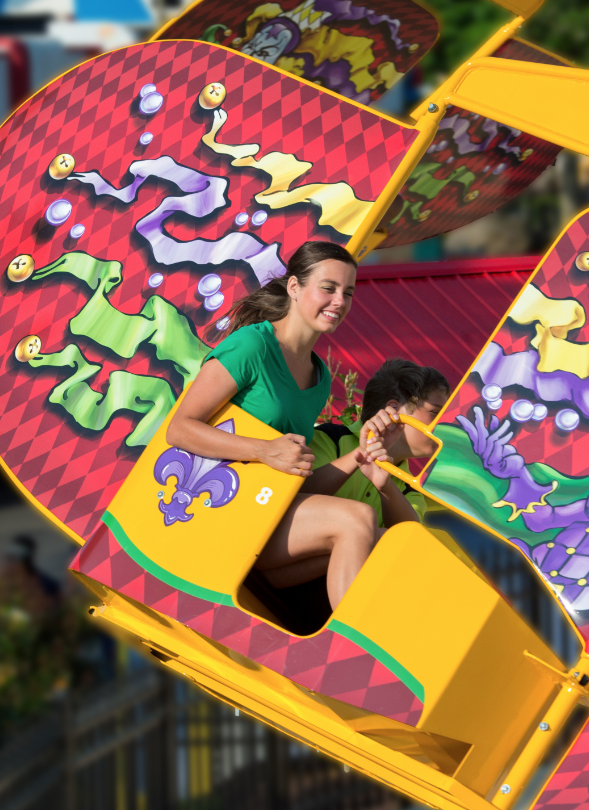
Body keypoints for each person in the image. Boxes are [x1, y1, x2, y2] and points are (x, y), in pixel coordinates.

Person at [166, 241, 396, 610]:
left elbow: (294, 479)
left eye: (348, 292)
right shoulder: (251, 346)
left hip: (266, 516)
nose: (340, 301)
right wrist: (262, 450)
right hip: (214, 511)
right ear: (293, 287)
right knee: (358, 517)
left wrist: (360, 455)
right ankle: (347, 641)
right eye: (328, 288)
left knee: (385, 542)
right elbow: (179, 429)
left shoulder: (319, 377)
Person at [311, 358, 450, 529]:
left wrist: (386, 487)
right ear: (394, 409)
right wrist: (362, 453)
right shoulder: (330, 438)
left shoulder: (411, 487)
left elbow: (406, 536)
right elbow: (294, 493)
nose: (446, 424)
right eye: (435, 412)